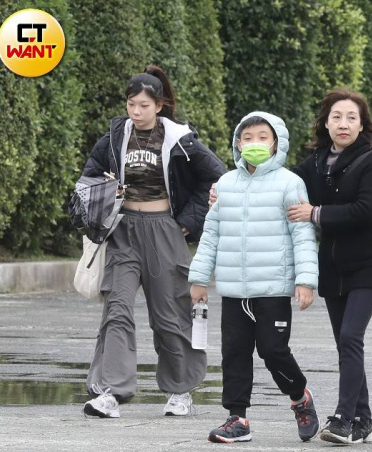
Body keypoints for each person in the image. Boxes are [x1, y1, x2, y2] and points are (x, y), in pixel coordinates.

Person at [80, 65, 226, 418]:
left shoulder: (181, 139)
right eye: (132, 104)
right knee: (116, 308)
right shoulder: (116, 136)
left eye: (144, 105)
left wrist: (187, 224)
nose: (137, 111)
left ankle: (180, 391)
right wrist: (104, 189)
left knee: (170, 315)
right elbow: (88, 173)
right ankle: (111, 393)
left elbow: (217, 176)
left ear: (159, 105)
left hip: (165, 230)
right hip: (123, 231)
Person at [189, 112, 321, 444]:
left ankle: (299, 398)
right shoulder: (225, 185)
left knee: (273, 350)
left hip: (273, 289)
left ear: (277, 143)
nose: (255, 144)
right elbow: (211, 235)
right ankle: (237, 418)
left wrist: (305, 280)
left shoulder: (289, 183)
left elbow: (302, 235)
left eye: (263, 137)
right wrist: (199, 278)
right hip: (234, 289)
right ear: (237, 143)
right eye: (247, 138)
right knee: (234, 352)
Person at [288, 88, 372, 445]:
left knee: (351, 337)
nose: (343, 123)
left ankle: (343, 420)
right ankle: (364, 420)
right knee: (347, 344)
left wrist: (315, 213)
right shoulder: (315, 161)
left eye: (351, 117)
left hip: (370, 262)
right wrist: (230, 189)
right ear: (326, 122)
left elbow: (365, 210)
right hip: (332, 266)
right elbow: (283, 185)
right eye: (336, 117)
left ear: (362, 123)